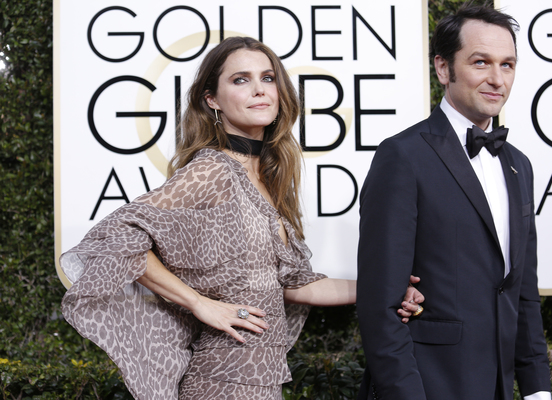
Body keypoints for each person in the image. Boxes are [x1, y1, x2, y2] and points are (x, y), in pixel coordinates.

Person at [60, 36, 423, 400]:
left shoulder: (267, 176)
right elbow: (117, 236)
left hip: (263, 383)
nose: (259, 90)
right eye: (240, 80)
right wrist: (199, 303)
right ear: (212, 100)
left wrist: (387, 287)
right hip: (221, 382)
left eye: (268, 78)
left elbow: (294, 285)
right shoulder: (212, 170)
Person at [356, 4, 551, 400]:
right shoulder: (403, 156)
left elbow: (522, 292)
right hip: (430, 385)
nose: (497, 79)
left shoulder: (519, 165)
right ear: (443, 68)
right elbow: (380, 307)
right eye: (481, 62)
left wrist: (537, 390)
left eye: (507, 65)